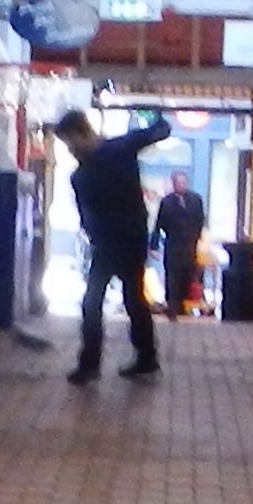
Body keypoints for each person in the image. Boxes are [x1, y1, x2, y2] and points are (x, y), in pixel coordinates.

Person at [61, 108, 157, 383]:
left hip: (116, 240)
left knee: (98, 300)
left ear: (82, 132)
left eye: (70, 142)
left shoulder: (87, 171)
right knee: (131, 298)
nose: (70, 149)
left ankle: (92, 364)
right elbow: (159, 131)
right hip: (125, 238)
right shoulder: (118, 150)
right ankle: (145, 357)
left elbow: (85, 214)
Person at [154, 175, 209, 316]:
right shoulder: (167, 202)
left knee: (189, 274)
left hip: (190, 245)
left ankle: (186, 305)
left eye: (184, 182)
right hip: (173, 245)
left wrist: (197, 237)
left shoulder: (196, 200)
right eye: (179, 183)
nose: (182, 185)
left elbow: (200, 220)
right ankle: (173, 307)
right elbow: (159, 224)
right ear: (173, 184)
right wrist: (154, 246)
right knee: (172, 276)